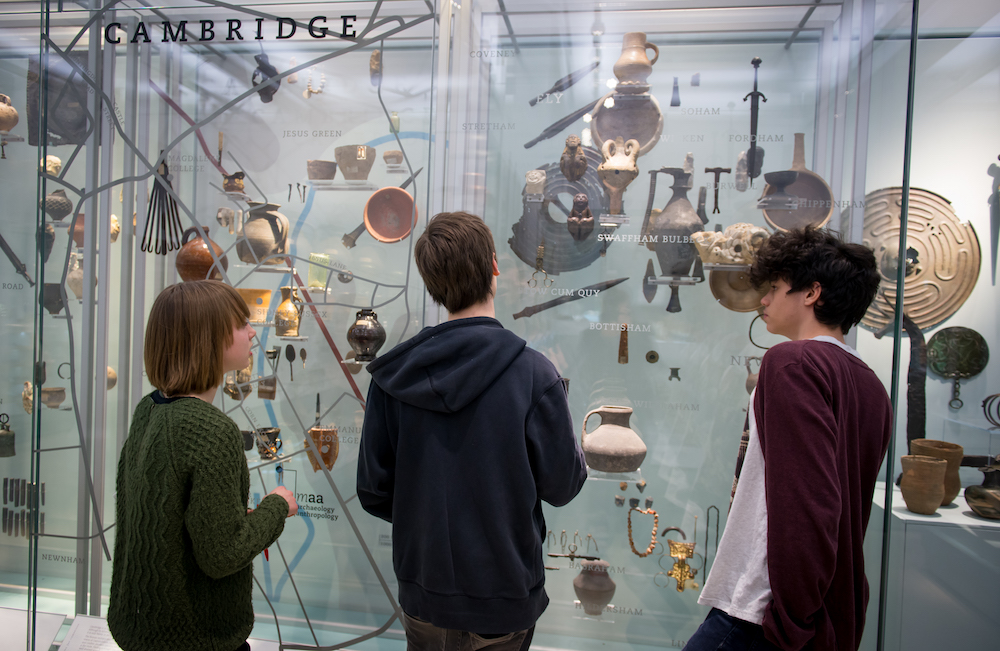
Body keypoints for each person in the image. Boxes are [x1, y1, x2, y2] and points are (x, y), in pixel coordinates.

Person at [357, 211, 588, 650]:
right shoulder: (534, 375)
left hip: (423, 591)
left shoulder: (394, 376)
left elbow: (375, 492)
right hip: (504, 595)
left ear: (431, 284)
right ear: (495, 266)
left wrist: (426, 515)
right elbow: (562, 486)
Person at [689, 227, 893, 651]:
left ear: (811, 293)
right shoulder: (870, 384)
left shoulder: (793, 362)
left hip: (765, 612)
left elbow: (809, 502)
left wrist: (790, 621)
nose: (764, 300)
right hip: (830, 608)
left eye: (777, 288)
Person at [109, 280, 298, 651]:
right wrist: (278, 506)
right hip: (195, 637)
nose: (251, 332)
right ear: (207, 337)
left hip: (141, 629)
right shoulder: (212, 430)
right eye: (240, 323)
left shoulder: (148, 410)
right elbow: (223, 554)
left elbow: (170, 520)